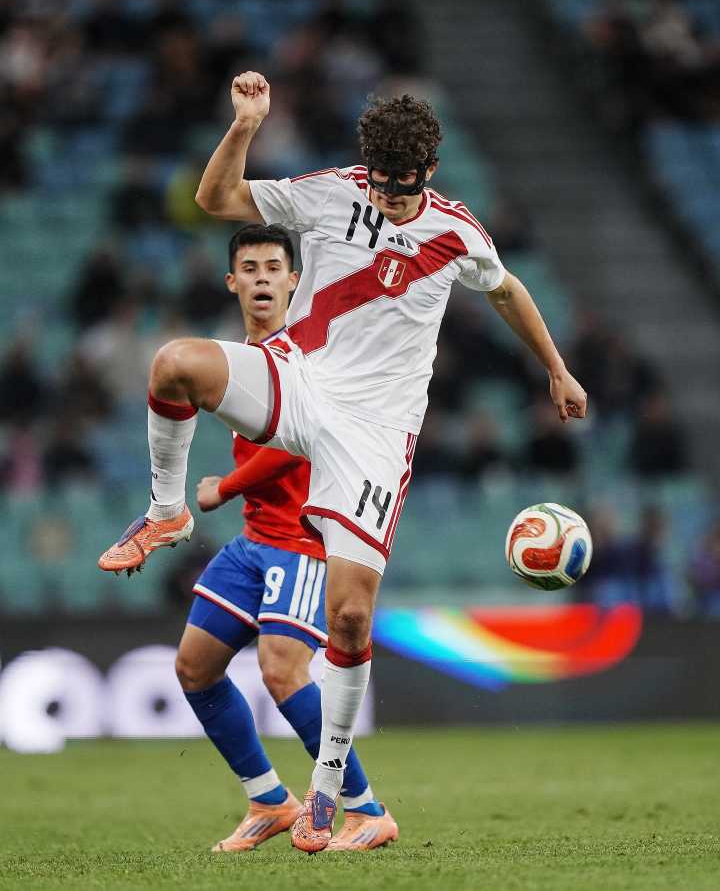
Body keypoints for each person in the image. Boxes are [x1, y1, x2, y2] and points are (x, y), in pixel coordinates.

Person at [99, 72, 587, 852]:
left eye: (407, 185)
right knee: (174, 365)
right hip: (301, 380)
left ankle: (330, 784)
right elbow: (217, 202)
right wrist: (245, 125)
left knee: (351, 618)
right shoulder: (330, 193)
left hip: (373, 432)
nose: (392, 197)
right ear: (370, 166)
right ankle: (165, 511)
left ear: (430, 169)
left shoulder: (458, 232)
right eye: (384, 182)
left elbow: (507, 293)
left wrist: (556, 368)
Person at [179, 224, 397, 852]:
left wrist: (228, 486)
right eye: (249, 268)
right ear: (233, 282)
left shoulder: (312, 352)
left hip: (302, 541)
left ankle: (368, 810)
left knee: (283, 672)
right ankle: (270, 800)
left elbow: (300, 439)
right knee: (195, 668)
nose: (262, 278)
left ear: (294, 280)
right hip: (253, 544)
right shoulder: (241, 358)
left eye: (274, 267)